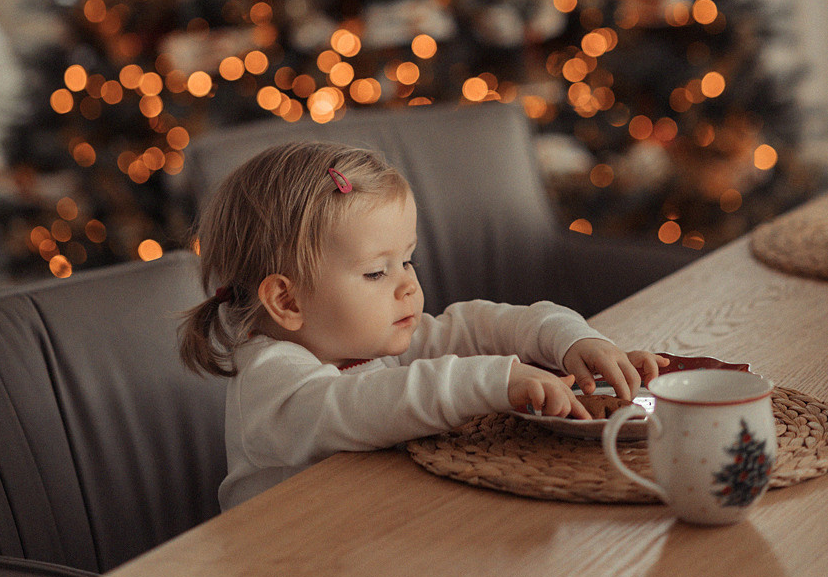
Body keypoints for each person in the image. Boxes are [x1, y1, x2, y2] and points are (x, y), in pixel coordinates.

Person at [179, 140, 667, 510]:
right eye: (377, 272)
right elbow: (354, 405)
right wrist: (491, 381)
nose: (408, 286)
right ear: (286, 300)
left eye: (408, 261)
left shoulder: (369, 339)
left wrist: (572, 341)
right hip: (285, 573)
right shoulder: (272, 380)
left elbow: (481, 325)